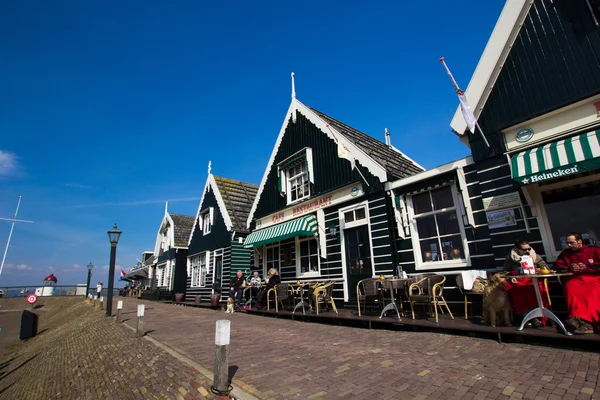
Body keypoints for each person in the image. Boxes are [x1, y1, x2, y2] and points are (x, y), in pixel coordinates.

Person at [555, 232, 600, 334]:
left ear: (580, 241)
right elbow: (558, 267)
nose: (569, 245)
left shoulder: (594, 250)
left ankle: (592, 321)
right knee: (570, 288)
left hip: (594, 278)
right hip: (576, 279)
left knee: (593, 291)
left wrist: (587, 267)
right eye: (567, 243)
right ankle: (577, 319)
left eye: (571, 242)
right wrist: (569, 268)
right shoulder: (565, 254)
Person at [503, 239, 549, 327]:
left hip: (533, 279)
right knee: (517, 290)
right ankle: (525, 315)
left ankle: (538, 316)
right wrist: (511, 277)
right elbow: (506, 271)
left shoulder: (535, 256)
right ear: (517, 250)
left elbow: (545, 267)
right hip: (519, 280)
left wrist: (538, 269)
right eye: (524, 249)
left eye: (529, 249)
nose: (527, 251)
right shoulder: (511, 258)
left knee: (535, 289)